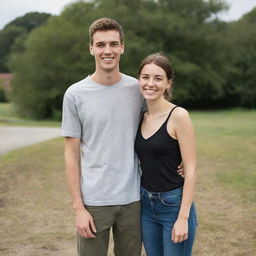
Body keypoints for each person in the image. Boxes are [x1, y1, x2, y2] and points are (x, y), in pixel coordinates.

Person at [61, 18, 184, 256]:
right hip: (94, 201)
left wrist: (181, 162)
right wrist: (78, 208)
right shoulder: (75, 95)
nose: (107, 51)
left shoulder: (137, 89)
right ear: (91, 48)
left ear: (122, 47)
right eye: (101, 45)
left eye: (113, 44)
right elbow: (70, 153)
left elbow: (162, 124)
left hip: (134, 199)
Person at [135, 53, 197, 256]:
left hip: (173, 205)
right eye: (145, 77)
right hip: (146, 204)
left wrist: (183, 218)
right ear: (139, 80)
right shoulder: (140, 115)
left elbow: (191, 168)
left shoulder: (178, 115)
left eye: (158, 78)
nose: (150, 83)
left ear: (168, 83)